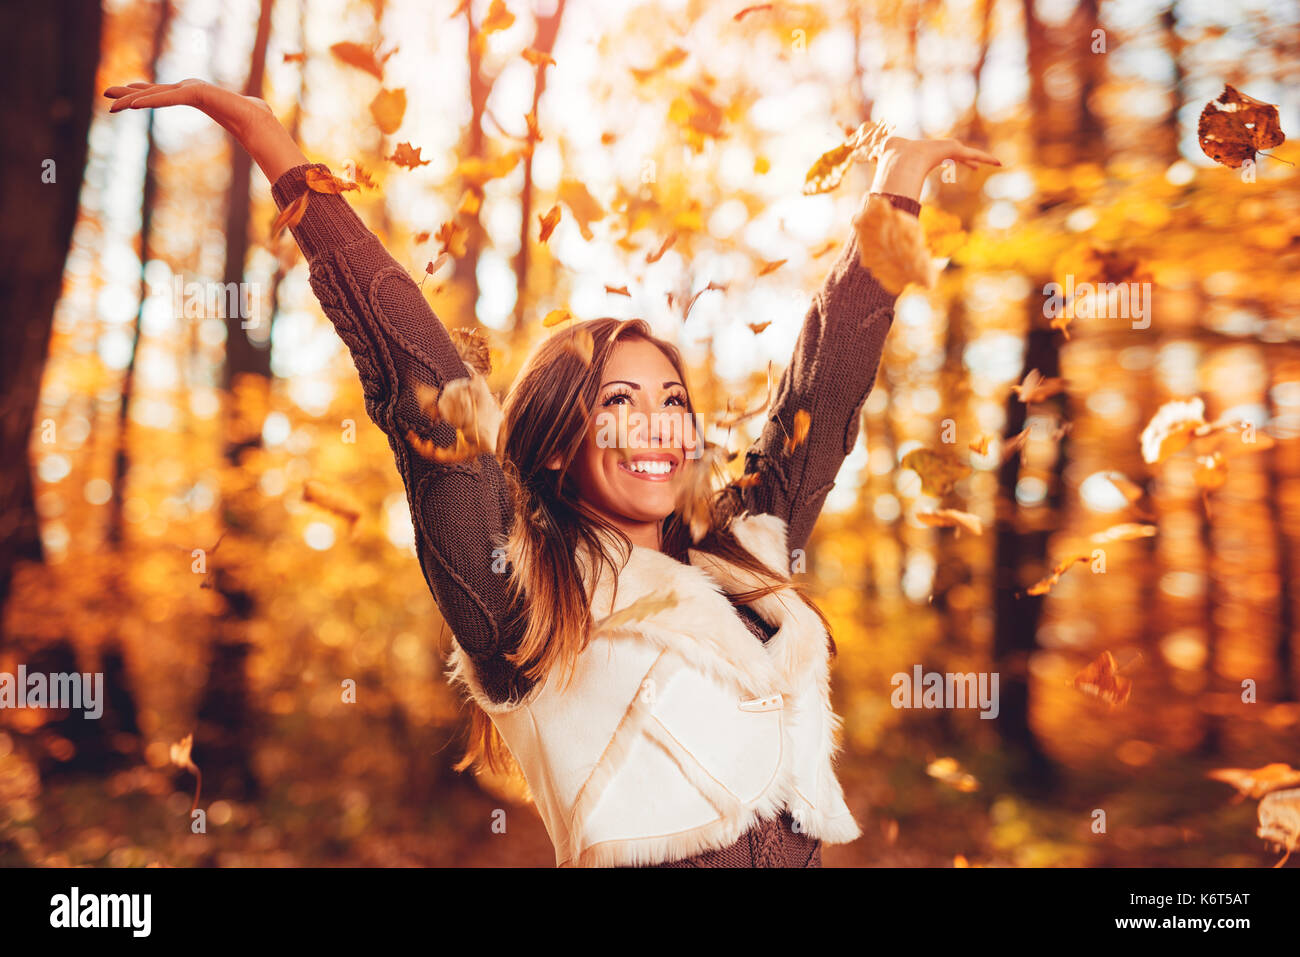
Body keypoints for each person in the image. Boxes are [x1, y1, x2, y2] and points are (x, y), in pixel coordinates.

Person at [104, 77, 999, 867]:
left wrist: (896, 192)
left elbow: (822, 393)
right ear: (557, 437)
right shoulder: (521, 594)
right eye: (616, 401)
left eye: (671, 399)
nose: (654, 423)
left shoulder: (744, 553)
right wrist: (278, 150)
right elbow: (429, 388)